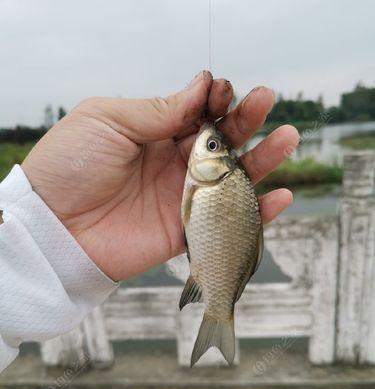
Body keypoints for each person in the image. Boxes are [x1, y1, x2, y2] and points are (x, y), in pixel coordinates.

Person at [0, 71, 299, 371]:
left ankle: (219, 315)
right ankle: (218, 316)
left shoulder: (220, 182)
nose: (205, 146)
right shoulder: (212, 181)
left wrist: (35, 230)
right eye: (213, 147)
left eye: (211, 148)